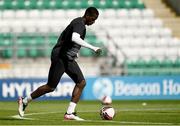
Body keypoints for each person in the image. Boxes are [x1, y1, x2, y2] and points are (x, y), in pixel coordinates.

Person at [18, 7, 101, 120]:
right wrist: (93, 48)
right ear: (87, 15)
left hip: (67, 57)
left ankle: (69, 113)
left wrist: (74, 53)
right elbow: (74, 38)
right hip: (60, 57)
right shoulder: (79, 24)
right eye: (93, 19)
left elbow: (67, 39)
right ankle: (24, 101)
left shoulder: (80, 24)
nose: (93, 22)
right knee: (50, 87)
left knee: (81, 82)